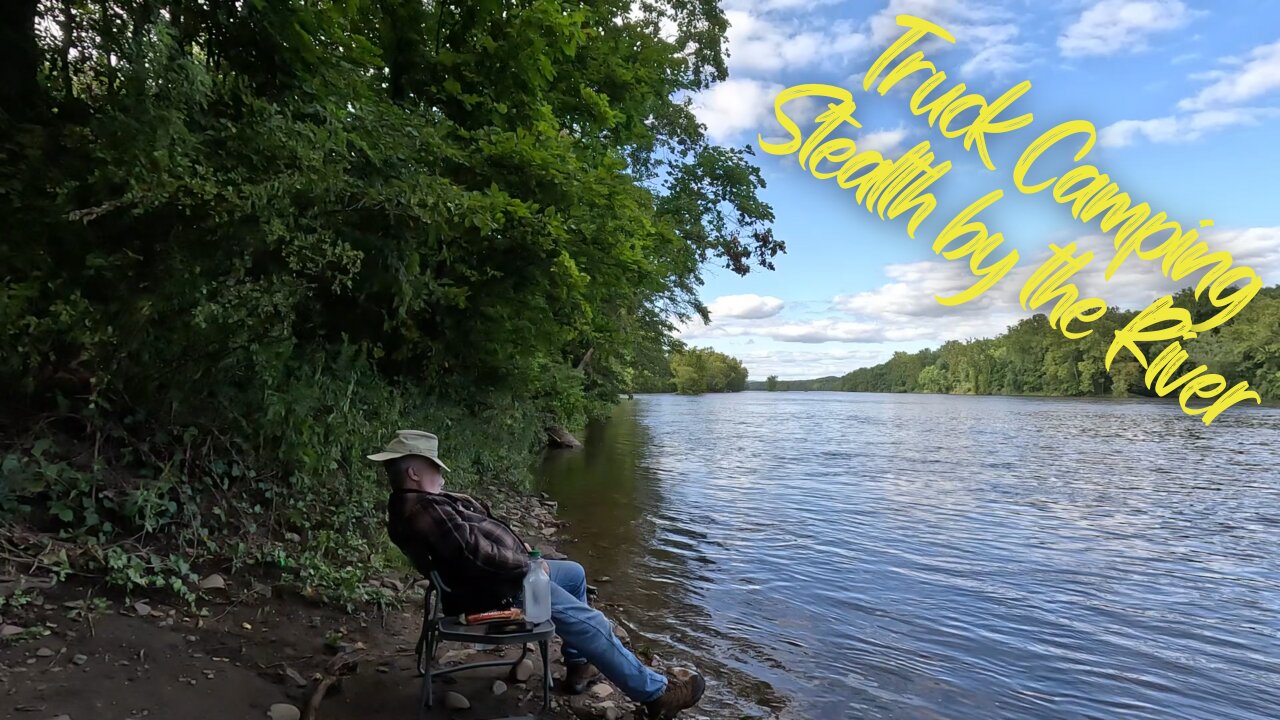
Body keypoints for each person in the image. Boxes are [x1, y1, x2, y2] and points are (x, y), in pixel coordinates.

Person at [370, 429, 706, 719]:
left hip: (491, 581)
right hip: (498, 592)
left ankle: (577, 667)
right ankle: (655, 693)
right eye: (434, 467)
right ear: (414, 472)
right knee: (595, 623)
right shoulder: (424, 509)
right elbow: (476, 554)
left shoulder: (415, 503)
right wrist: (528, 565)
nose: (441, 474)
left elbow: (468, 549)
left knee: (573, 573)